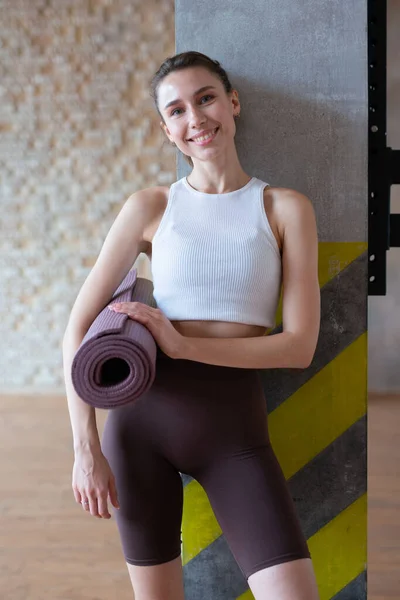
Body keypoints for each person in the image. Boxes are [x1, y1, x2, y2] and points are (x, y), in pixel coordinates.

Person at [62, 51, 321, 600]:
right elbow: (77, 329)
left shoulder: (284, 208)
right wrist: (86, 447)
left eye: (205, 98)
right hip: (140, 425)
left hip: (235, 433)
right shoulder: (151, 207)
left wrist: (183, 343)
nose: (195, 118)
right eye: (176, 110)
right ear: (167, 130)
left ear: (232, 103)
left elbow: (298, 348)